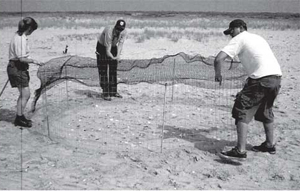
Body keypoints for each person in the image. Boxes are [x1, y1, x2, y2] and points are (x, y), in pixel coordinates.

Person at [214, 19, 282, 160]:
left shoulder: (240, 38)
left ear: (240, 28)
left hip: (261, 79)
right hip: (276, 77)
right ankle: (269, 144)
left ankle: (240, 150)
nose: (231, 34)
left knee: (241, 108)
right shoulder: (258, 37)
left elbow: (218, 59)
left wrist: (218, 74)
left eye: (232, 30)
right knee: (266, 110)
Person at [7, 17, 40, 128]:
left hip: (17, 67)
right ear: (29, 28)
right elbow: (21, 58)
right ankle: (19, 118)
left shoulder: (19, 36)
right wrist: (35, 61)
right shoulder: (20, 39)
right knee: (25, 94)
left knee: (24, 94)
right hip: (17, 67)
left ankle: (20, 116)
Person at [96, 19, 127, 101]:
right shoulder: (109, 31)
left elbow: (120, 45)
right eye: (118, 29)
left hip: (113, 47)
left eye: (121, 29)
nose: (119, 31)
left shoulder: (124, 32)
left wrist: (117, 56)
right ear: (115, 27)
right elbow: (107, 50)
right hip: (102, 47)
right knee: (103, 69)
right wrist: (113, 58)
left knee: (113, 69)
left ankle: (113, 91)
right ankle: (105, 93)